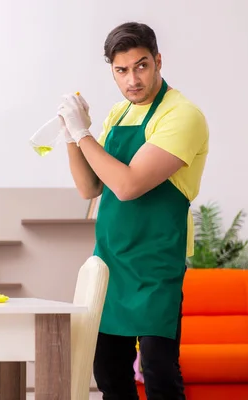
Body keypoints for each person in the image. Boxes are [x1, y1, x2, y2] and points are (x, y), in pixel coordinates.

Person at [57, 21, 209, 400]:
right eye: (121, 70)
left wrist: (84, 135)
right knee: (108, 370)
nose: (132, 80)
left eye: (141, 66)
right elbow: (90, 187)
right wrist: (71, 138)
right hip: (111, 262)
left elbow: (127, 186)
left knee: (158, 370)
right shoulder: (118, 115)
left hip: (156, 263)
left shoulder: (181, 115)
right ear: (112, 70)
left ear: (158, 61)